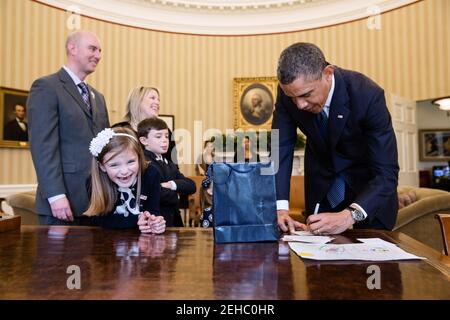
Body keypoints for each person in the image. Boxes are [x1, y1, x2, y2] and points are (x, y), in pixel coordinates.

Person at [272, 42, 399, 235]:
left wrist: (350, 215)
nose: (299, 105)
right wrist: (280, 208)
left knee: (374, 262)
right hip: (322, 189)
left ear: (328, 73)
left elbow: (386, 173)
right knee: (318, 261)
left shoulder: (367, 95)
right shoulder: (287, 94)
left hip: (368, 193)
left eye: (307, 94)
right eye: (293, 98)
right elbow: (280, 148)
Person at [27, 30, 110, 225]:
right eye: (92, 48)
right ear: (72, 48)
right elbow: (43, 146)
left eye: (100, 50)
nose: (98, 55)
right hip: (62, 205)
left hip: (97, 203)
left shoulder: (98, 97)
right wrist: (56, 196)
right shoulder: (47, 87)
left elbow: (106, 147)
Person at [83, 127, 165, 233]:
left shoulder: (151, 174)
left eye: (131, 162)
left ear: (139, 158)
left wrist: (154, 222)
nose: (124, 171)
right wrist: (137, 221)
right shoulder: (94, 182)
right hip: (107, 243)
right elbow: (102, 221)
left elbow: (153, 211)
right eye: (114, 165)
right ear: (102, 166)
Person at [137, 117, 196, 227]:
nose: (164, 140)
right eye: (158, 136)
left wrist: (170, 185)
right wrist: (177, 195)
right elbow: (152, 194)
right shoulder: (143, 163)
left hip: (174, 222)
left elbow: (191, 186)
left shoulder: (169, 164)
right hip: (155, 222)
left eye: (166, 136)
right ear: (144, 141)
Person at [115, 86, 177, 163]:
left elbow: (173, 166)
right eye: (152, 98)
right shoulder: (120, 131)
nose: (157, 102)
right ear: (137, 101)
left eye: (158, 100)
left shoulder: (165, 131)